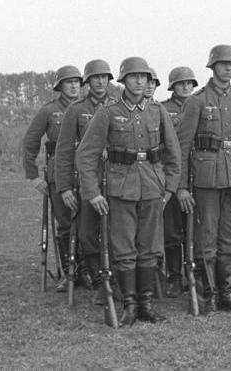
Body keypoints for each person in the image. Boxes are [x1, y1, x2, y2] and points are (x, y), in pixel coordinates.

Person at [76, 56, 181, 327]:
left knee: (149, 246)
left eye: (144, 77)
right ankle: (129, 304)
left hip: (153, 187)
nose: (139, 81)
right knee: (123, 248)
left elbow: (173, 153)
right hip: (121, 187)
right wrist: (93, 193)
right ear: (123, 80)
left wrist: (169, 187)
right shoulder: (108, 112)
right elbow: (86, 154)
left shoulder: (156, 111)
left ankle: (146, 303)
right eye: (134, 76)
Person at [175, 44, 231, 313]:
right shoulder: (197, 101)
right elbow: (182, 146)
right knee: (207, 235)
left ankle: (226, 292)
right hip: (206, 177)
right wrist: (181, 187)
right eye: (223, 64)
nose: (228, 68)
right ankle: (209, 292)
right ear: (212, 67)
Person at [54, 59, 115, 303]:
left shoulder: (118, 105)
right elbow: (64, 150)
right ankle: (98, 279)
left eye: (104, 77)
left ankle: (114, 278)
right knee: (88, 233)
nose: (100, 81)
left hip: (116, 179)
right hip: (87, 181)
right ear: (87, 82)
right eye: (95, 77)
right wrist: (65, 187)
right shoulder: (76, 110)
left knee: (114, 232)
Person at [23, 64, 82, 292]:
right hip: (59, 173)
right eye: (69, 82)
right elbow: (30, 142)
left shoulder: (90, 107)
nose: (74, 85)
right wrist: (34, 177)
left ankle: (87, 270)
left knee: (88, 224)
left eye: (77, 81)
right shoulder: (49, 111)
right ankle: (69, 272)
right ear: (60, 86)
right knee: (66, 224)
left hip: (87, 174)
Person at [161, 66, 198, 298]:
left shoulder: (200, 105)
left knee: (196, 228)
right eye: (181, 83)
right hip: (171, 175)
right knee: (172, 230)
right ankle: (174, 276)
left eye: (189, 83)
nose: (186, 87)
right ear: (172, 86)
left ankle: (194, 272)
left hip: (199, 174)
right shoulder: (163, 109)